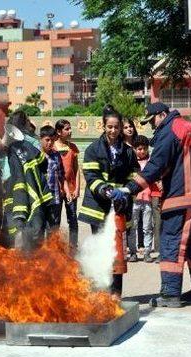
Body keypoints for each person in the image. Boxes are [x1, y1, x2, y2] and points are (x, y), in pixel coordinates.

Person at [135, 102, 191, 307]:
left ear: (162, 114)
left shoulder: (171, 130)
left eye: (152, 120)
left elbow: (156, 165)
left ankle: (170, 294)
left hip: (180, 199)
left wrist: (129, 189)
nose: (152, 126)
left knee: (171, 243)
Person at [79, 105, 141, 298]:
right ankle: (101, 293)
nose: (113, 131)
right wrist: (106, 190)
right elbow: (90, 175)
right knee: (102, 251)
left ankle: (115, 295)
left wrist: (126, 190)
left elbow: (135, 174)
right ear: (103, 126)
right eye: (109, 127)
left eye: (116, 127)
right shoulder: (92, 149)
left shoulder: (128, 152)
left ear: (121, 127)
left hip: (120, 208)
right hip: (99, 208)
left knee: (117, 251)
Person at [2, 112, 52, 250]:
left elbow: (13, 177)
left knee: (18, 226)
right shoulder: (31, 143)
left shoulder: (16, 149)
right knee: (34, 226)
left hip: (16, 190)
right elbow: (44, 163)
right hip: (32, 192)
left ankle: (21, 254)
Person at [126, 136, 155, 263]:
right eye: (139, 149)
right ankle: (133, 252)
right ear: (134, 149)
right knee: (132, 227)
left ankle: (147, 252)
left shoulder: (151, 163)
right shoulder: (131, 164)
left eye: (144, 149)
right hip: (134, 200)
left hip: (147, 199)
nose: (142, 151)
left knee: (147, 227)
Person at [54, 119, 80, 250]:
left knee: (73, 220)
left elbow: (76, 170)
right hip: (56, 191)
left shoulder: (72, 148)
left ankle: (73, 247)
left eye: (70, 128)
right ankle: (55, 248)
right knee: (55, 221)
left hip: (71, 189)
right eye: (67, 129)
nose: (70, 131)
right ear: (59, 132)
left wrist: (77, 188)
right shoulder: (52, 147)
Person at [40, 125, 66, 235]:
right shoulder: (36, 155)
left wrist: (65, 191)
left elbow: (61, 175)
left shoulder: (56, 155)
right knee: (39, 229)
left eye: (52, 140)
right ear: (40, 139)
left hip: (54, 198)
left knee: (53, 229)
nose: (50, 143)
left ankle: (53, 252)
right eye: (47, 140)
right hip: (40, 199)